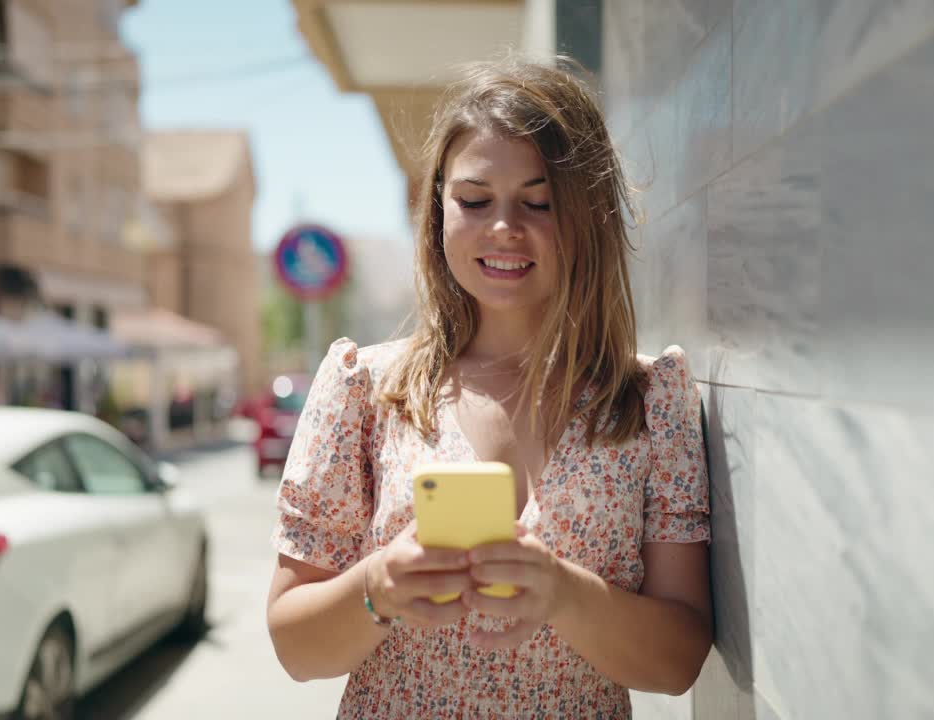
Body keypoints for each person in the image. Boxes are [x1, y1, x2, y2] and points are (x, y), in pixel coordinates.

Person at [266, 56, 713, 719]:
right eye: (475, 200)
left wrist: (562, 592)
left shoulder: (651, 399)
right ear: (438, 204)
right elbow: (295, 647)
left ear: (587, 215)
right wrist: (377, 588)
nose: (505, 227)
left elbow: (679, 664)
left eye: (540, 202)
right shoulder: (365, 389)